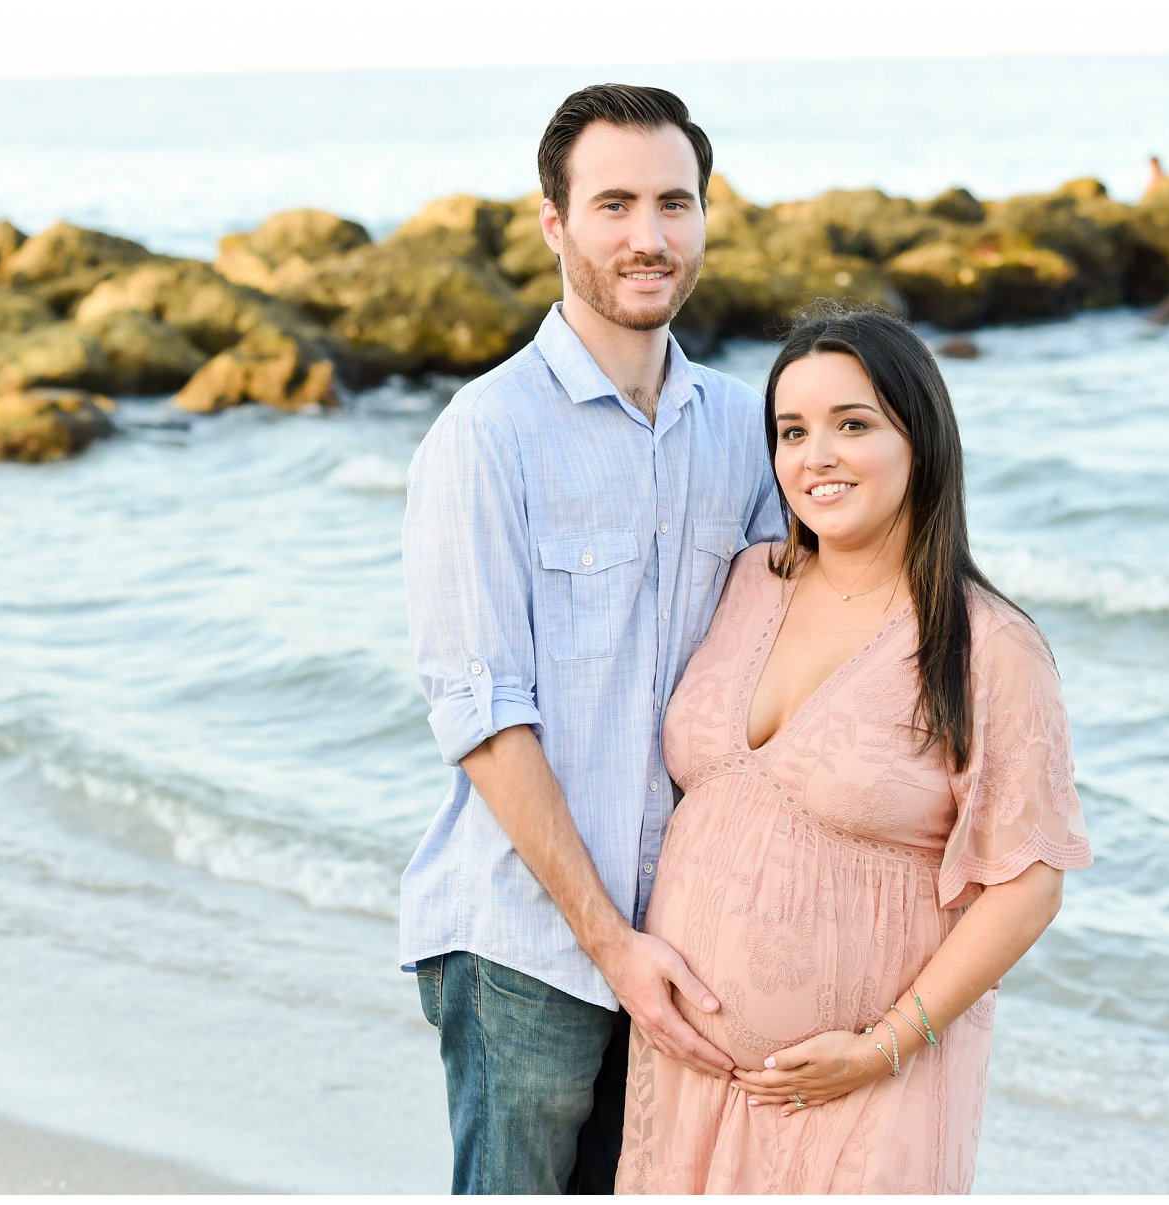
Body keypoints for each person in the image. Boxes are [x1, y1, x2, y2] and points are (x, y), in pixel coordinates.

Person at [400, 83, 787, 1194]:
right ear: (554, 222)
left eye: (676, 202)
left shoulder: (743, 430)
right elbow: (482, 720)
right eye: (614, 203)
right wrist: (611, 943)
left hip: (693, 947)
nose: (649, 237)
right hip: (526, 942)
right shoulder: (486, 436)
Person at [615, 302, 1093, 1194]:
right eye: (792, 430)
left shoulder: (987, 644)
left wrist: (883, 1047)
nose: (816, 456)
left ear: (922, 437)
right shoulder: (748, 580)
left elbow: (1029, 883)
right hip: (684, 1076)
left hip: (864, 1093)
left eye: (852, 424)